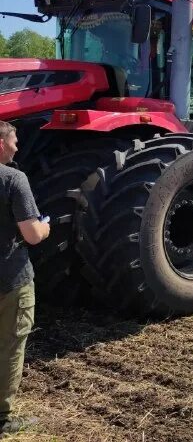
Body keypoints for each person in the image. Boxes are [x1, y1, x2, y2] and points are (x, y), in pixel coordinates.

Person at [0, 121, 50, 436]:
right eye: (14, 140)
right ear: (0, 143)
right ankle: (2, 420)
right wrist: (47, 226)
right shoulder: (14, 180)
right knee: (10, 347)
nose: (18, 146)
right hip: (11, 280)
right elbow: (32, 235)